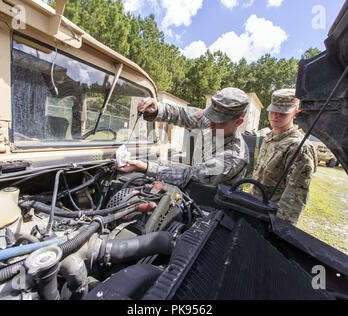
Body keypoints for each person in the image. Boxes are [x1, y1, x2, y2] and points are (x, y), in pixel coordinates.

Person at [118, 88, 250, 188]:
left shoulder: (234, 156)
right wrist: (157, 108)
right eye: (210, 117)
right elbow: (182, 115)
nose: (210, 124)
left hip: (214, 209)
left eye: (219, 121)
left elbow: (189, 176)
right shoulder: (212, 123)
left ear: (238, 122)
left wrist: (145, 167)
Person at [250, 89, 317, 225]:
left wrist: (278, 228)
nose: (275, 116)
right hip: (254, 207)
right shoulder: (270, 137)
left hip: (271, 216)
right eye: (273, 111)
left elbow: (295, 196)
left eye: (282, 113)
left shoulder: (298, 147)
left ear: (295, 113)